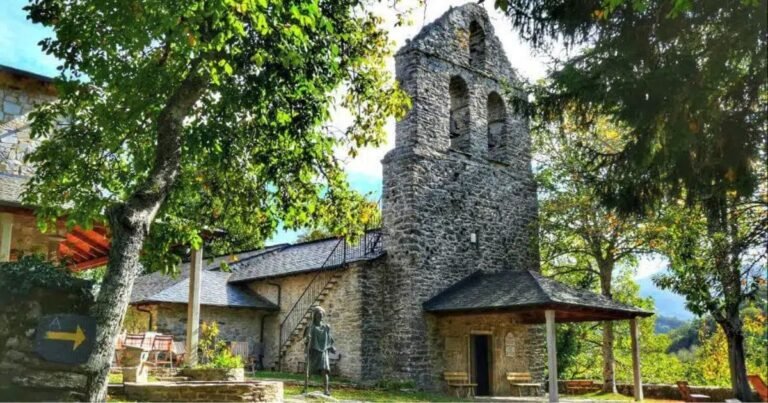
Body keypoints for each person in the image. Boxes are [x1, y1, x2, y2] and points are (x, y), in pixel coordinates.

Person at [303, 306, 336, 395]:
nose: (320, 316)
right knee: (309, 371)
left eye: (322, 315)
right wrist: (307, 339)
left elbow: (329, 339)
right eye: (319, 315)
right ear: (315, 316)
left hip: (323, 352)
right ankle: (305, 388)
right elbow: (305, 340)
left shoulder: (326, 327)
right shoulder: (310, 327)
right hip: (314, 352)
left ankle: (326, 390)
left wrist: (331, 347)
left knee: (324, 371)